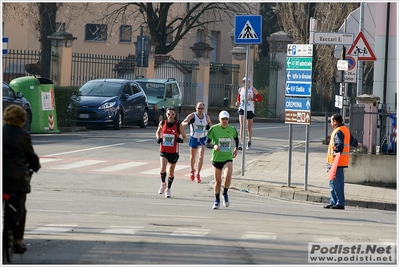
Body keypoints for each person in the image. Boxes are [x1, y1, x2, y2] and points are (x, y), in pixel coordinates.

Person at [2, 104, 41, 254]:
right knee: (21, 208)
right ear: (22, 119)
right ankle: (18, 242)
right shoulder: (23, 134)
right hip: (16, 179)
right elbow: (31, 157)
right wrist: (35, 166)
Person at [324, 114, 361, 210]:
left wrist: (337, 152)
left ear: (335, 122)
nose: (331, 123)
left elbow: (339, 144)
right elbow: (352, 141)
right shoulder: (345, 130)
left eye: (331, 121)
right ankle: (333, 201)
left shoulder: (338, 131)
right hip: (336, 162)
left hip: (336, 162)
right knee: (333, 183)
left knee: (337, 183)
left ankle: (339, 202)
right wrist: (358, 144)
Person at [206, 110, 239, 209]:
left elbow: (236, 138)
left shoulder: (232, 129)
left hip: (227, 158)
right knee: (217, 182)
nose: (225, 121)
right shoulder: (213, 129)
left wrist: (236, 149)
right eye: (223, 119)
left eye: (226, 119)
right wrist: (214, 146)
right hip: (216, 159)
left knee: (228, 176)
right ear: (219, 119)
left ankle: (225, 193)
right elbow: (207, 143)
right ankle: (217, 199)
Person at [156, 107, 187, 198]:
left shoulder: (178, 125)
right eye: (169, 114)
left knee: (171, 172)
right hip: (164, 149)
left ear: (175, 115)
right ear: (166, 114)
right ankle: (163, 183)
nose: (170, 116)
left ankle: (168, 189)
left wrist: (181, 140)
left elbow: (185, 137)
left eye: (172, 114)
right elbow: (158, 132)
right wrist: (159, 138)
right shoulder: (162, 123)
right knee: (162, 168)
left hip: (173, 151)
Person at [181, 102, 212, 183]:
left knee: (201, 156)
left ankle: (198, 174)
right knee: (192, 156)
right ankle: (192, 171)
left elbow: (209, 123)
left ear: (204, 109)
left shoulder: (206, 116)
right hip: (194, 137)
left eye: (202, 109)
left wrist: (208, 126)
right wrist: (188, 123)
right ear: (196, 108)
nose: (200, 110)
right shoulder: (192, 115)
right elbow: (182, 124)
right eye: (199, 108)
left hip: (202, 138)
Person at [235, 77, 260, 150]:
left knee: (249, 127)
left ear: (249, 82)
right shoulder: (240, 90)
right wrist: (237, 102)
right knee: (242, 125)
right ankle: (241, 143)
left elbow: (260, 98)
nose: (245, 83)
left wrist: (252, 99)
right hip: (242, 108)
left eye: (247, 82)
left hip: (250, 109)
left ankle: (249, 141)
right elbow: (239, 98)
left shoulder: (253, 89)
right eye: (244, 82)